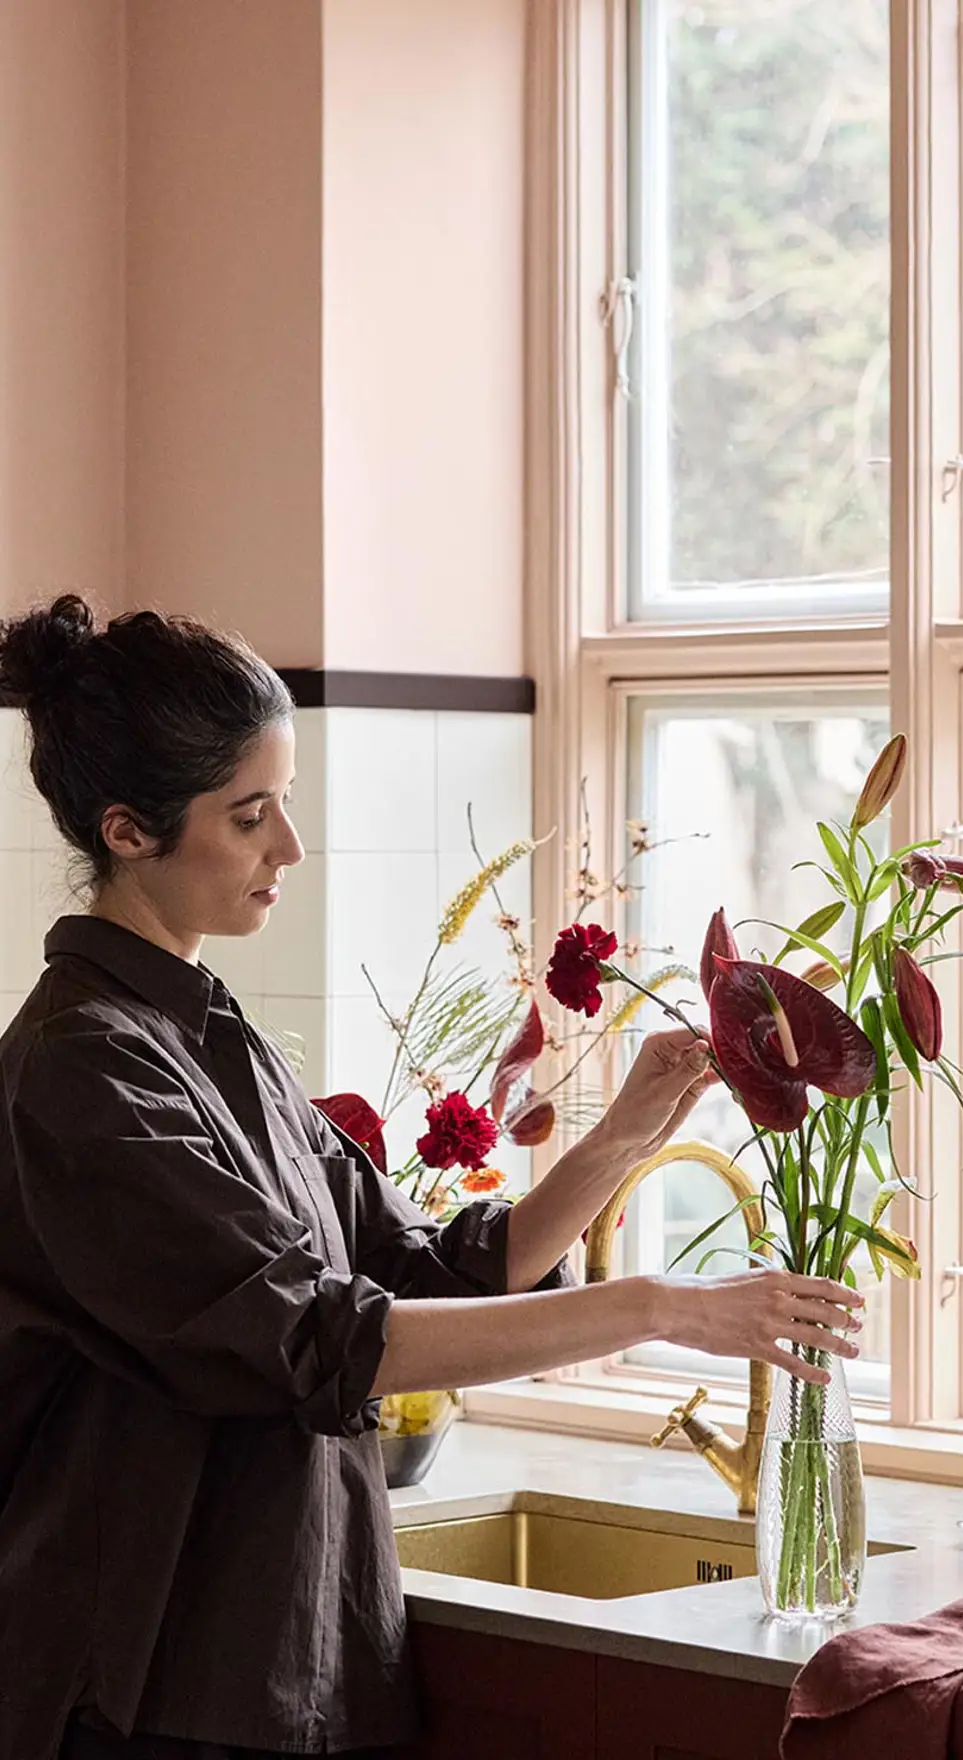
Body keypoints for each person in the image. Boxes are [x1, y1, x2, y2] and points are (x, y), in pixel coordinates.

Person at [0, 596, 864, 1760]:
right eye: (249, 815)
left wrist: (625, 1128)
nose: (289, 850)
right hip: (153, 1674)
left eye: (287, 805)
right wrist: (662, 1306)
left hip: (276, 1648)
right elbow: (322, 1339)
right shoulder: (83, 1069)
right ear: (126, 829)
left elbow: (428, 1264)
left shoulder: (205, 1029)